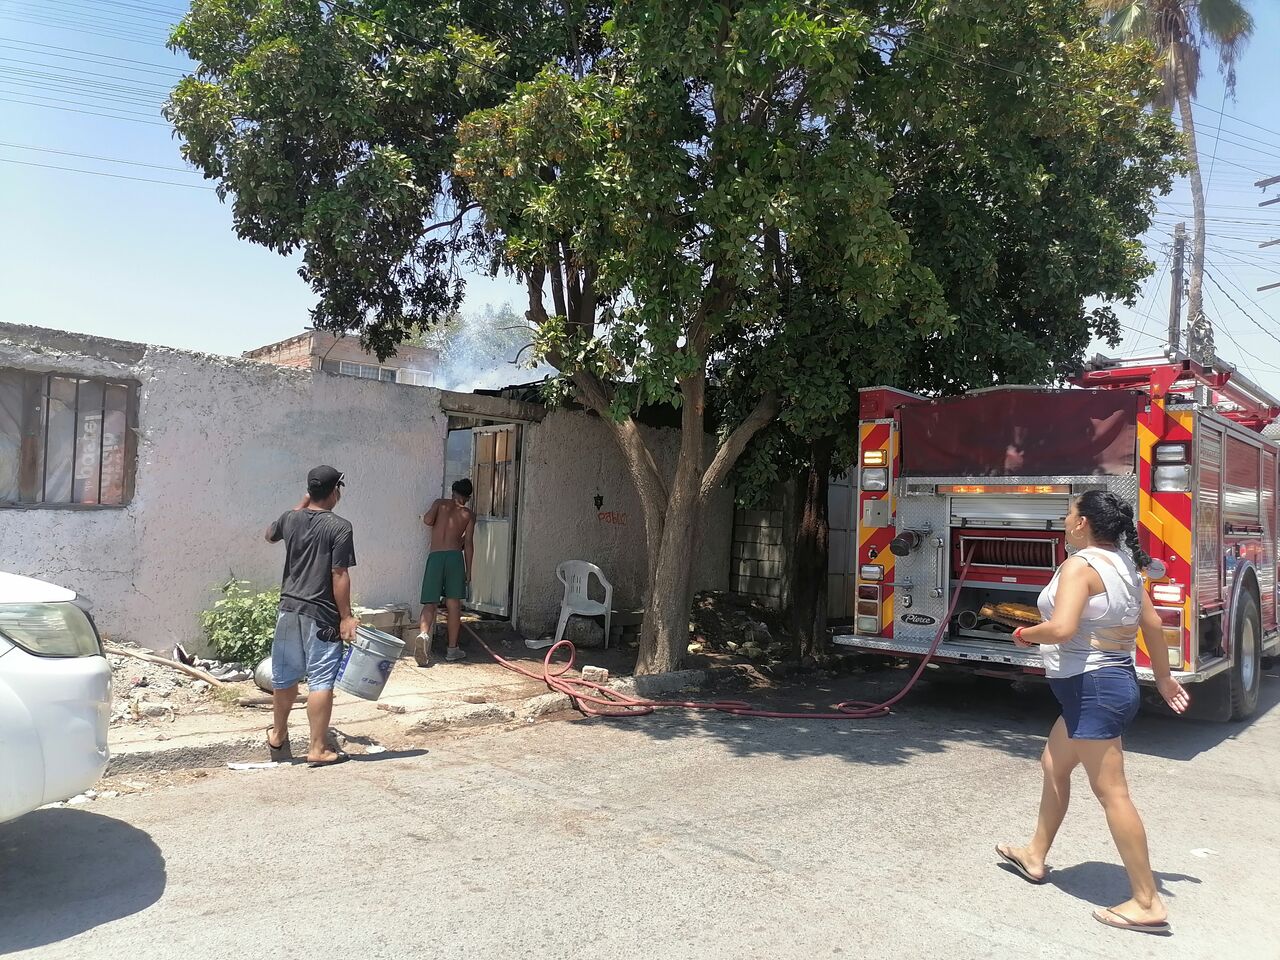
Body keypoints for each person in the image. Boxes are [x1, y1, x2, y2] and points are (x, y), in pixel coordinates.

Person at [997, 490, 1191, 935]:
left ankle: (1147, 901)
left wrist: (1026, 634)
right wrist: (1163, 679)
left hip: (1093, 689)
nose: (1065, 520)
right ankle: (1035, 855)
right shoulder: (1124, 565)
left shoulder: (1080, 566)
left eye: (1069, 513)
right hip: (1103, 686)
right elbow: (1153, 625)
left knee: (1113, 793)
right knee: (1053, 764)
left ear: (1082, 523)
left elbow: (1062, 629)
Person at [263, 465, 359, 767]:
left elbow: (269, 535)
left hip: (289, 608)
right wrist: (346, 617)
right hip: (321, 613)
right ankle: (317, 748)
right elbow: (339, 573)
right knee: (320, 679)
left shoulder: (290, 518)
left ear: (309, 491)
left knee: (285, 675)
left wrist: (302, 502)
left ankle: (278, 734)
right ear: (334, 491)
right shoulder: (340, 527)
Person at [414, 478, 476, 666]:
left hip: (435, 557)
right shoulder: (468, 515)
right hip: (455, 558)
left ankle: (423, 635)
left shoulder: (439, 504)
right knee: (453, 605)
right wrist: (469, 571)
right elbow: (469, 544)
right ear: (468, 497)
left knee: (430, 602)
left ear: (453, 492)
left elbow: (427, 520)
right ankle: (452, 649)